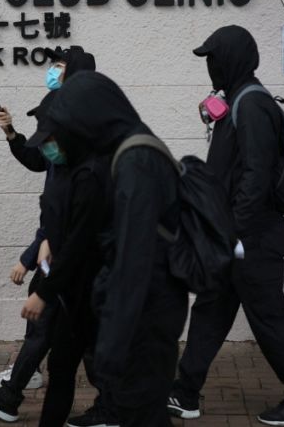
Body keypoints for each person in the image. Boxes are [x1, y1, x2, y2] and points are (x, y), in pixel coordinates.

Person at [169, 25, 284, 425]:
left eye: (214, 58)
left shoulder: (252, 104)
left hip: (252, 239)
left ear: (233, 58)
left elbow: (255, 176)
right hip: (234, 236)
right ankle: (185, 392)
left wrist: (231, 231)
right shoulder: (236, 99)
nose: (211, 66)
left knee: (269, 317)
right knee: (211, 310)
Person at [39, 71, 188, 427]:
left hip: (145, 321)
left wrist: (113, 343)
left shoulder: (135, 158)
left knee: (141, 411)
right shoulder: (129, 150)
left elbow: (134, 260)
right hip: (146, 314)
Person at [0, 46, 99, 423]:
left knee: (76, 340)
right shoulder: (61, 131)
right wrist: (12, 133)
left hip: (67, 254)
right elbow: (37, 160)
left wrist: (35, 253)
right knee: (56, 337)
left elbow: (70, 209)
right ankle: (13, 393)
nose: (51, 71)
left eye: (58, 65)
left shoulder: (84, 138)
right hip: (56, 246)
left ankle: (117, 403)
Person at [19, 92, 109, 427]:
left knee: (107, 366)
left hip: (97, 287)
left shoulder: (91, 174)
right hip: (76, 289)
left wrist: (43, 291)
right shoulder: (68, 169)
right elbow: (60, 226)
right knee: (62, 366)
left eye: (51, 140)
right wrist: (45, 242)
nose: (46, 149)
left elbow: (80, 243)